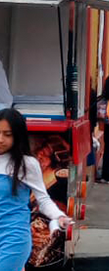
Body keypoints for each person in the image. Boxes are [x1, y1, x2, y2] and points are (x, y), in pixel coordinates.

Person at [0, 108, 73, 271]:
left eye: (7, 134)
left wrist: (59, 216)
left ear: (17, 136)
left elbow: (43, 199)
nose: (0, 139)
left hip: (13, 238)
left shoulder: (26, 163)